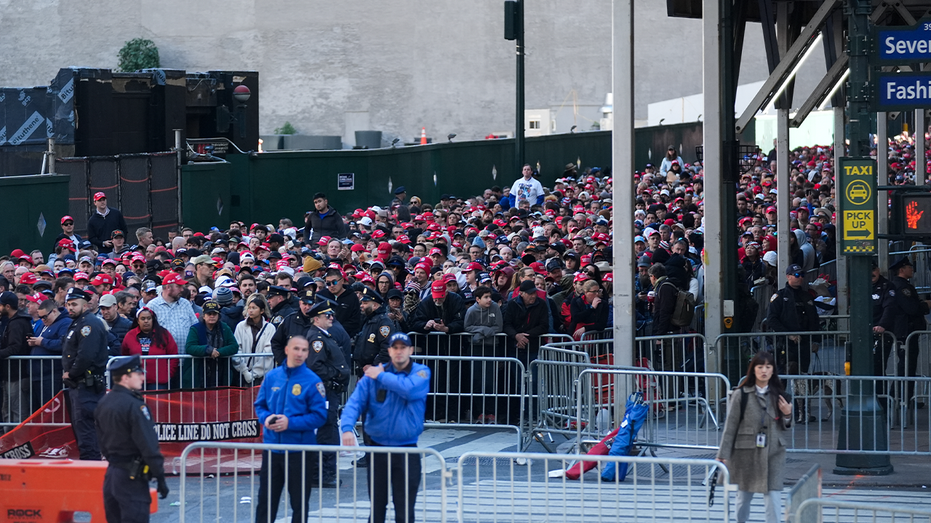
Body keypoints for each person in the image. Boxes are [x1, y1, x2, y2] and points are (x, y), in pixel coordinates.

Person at [340, 332, 430, 523]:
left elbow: (410, 389)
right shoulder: (373, 376)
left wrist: (380, 376)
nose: (399, 352)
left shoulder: (420, 372)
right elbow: (354, 403)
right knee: (377, 507)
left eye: (403, 348)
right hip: (378, 449)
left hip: (406, 450)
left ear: (410, 350)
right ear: (389, 350)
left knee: (404, 509)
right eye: (395, 348)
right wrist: (347, 427)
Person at [253, 336, 328, 523]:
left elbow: (319, 416)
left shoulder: (313, 381)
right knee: (265, 502)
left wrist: (290, 423)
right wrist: (266, 418)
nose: (300, 353)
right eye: (296, 349)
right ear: (287, 350)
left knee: (299, 504)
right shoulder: (272, 377)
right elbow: (260, 405)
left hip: (299, 451)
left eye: (304, 350)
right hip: (272, 449)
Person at [716, 351, 792, 523]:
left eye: (768, 367)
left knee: (773, 498)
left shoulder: (780, 395)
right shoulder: (741, 394)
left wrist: (788, 415)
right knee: (743, 499)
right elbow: (730, 426)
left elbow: (786, 426)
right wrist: (723, 455)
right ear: (753, 369)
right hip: (746, 453)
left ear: (773, 370)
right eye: (760, 366)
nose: (764, 370)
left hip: (773, 453)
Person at [95, 355, 169, 523]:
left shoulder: (104, 402)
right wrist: (160, 477)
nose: (143, 377)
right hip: (131, 478)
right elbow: (148, 446)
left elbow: (101, 440)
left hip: (112, 475)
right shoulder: (135, 406)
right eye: (138, 374)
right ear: (125, 378)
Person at [61, 287, 109, 460]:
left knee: (86, 428)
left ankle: (90, 466)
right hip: (80, 385)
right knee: (82, 428)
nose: (70, 308)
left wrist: (71, 373)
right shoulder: (78, 322)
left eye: (74, 304)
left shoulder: (89, 324)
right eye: (68, 305)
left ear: (86, 304)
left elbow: (86, 355)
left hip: (86, 384)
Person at [765, 264, 819, 379]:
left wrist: (816, 340)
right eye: (796, 275)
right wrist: (788, 334)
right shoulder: (779, 296)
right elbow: (771, 319)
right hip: (785, 345)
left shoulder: (807, 297)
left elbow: (814, 320)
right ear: (788, 276)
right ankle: (780, 397)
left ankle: (800, 398)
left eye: (801, 275)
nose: (800, 278)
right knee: (782, 377)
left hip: (804, 344)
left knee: (803, 378)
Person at [889, 256, 931, 404]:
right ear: (902, 270)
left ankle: (903, 396)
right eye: (909, 267)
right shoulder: (902, 287)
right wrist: (926, 305)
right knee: (906, 365)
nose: (912, 269)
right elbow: (911, 308)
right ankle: (900, 397)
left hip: (908, 331)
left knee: (907, 365)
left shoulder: (902, 285)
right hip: (906, 331)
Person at [26, 299, 71, 411]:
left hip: (51, 375)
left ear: (54, 311)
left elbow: (64, 344)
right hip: (37, 374)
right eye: (40, 317)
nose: (43, 320)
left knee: (50, 411)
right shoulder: (43, 323)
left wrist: (42, 342)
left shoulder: (65, 323)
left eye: (45, 317)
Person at [182, 301, 238, 388]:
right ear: (204, 316)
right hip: (199, 372)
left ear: (218, 316)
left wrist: (218, 352)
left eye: (214, 314)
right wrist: (208, 350)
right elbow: (190, 347)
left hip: (220, 371)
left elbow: (234, 346)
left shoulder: (224, 327)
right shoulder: (195, 329)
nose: (212, 316)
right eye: (209, 314)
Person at [121, 308, 179, 390]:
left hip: (158, 380)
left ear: (153, 320)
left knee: (158, 403)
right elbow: (124, 355)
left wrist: (168, 373)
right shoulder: (130, 335)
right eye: (143, 319)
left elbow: (173, 355)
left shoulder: (164, 334)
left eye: (149, 318)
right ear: (138, 321)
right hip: (136, 379)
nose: (146, 321)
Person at [0, 291, 33, 426]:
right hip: (11, 374)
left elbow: (15, 347)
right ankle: (10, 442)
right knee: (8, 410)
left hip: (17, 374)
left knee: (17, 411)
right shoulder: (14, 321)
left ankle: (19, 442)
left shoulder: (17, 323)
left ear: (7, 306)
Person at [146, 272, 198, 351]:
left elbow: (195, 327)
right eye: (178, 286)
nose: (182, 289)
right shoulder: (152, 306)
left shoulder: (185, 304)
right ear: (168, 287)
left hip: (185, 356)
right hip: (162, 358)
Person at [232, 293, 276, 386]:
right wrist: (245, 371)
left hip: (263, 376)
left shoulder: (270, 328)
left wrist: (254, 373)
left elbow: (268, 353)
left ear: (262, 311)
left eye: (254, 308)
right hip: (243, 375)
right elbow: (237, 349)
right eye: (249, 307)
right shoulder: (240, 326)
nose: (250, 310)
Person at [353, 287, 396, 378]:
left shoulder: (383, 323)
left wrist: (374, 366)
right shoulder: (368, 321)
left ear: (375, 306)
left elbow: (387, 349)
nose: (362, 305)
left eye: (365, 303)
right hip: (365, 372)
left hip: (377, 373)